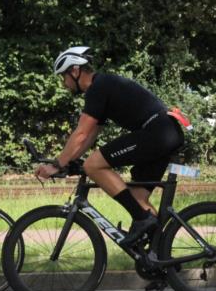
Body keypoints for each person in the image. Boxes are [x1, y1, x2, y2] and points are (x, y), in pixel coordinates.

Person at [35, 46, 186, 246]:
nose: (64, 84)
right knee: (138, 199)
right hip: (165, 133)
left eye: (63, 77)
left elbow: (80, 134)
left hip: (157, 133)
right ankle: (158, 258)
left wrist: (57, 164)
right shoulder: (104, 86)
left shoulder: (98, 88)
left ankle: (143, 220)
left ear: (74, 71)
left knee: (93, 165)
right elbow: (89, 136)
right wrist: (68, 162)